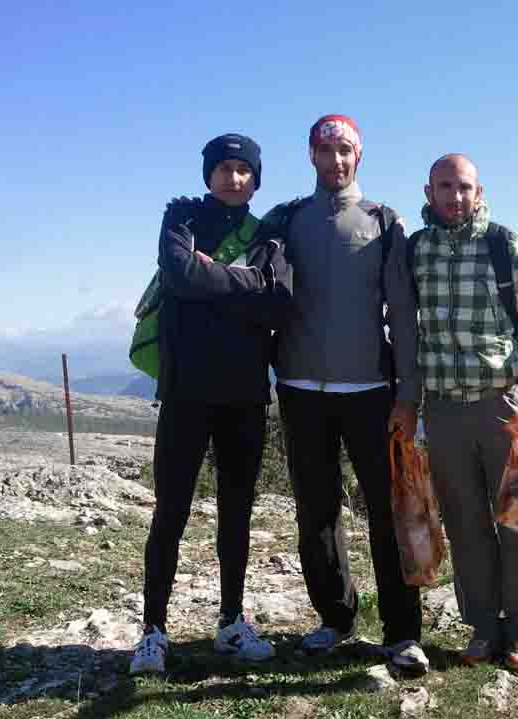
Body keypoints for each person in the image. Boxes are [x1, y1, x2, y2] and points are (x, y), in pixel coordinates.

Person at [269, 114, 428, 674]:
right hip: (300, 387)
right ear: (310, 155)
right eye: (325, 150)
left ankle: (403, 631)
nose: (335, 161)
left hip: (371, 392)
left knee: (388, 511)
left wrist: (408, 394)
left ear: (358, 155)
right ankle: (334, 619)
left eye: (345, 150)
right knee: (316, 510)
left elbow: (404, 318)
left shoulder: (384, 221)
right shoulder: (288, 219)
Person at [130, 134, 293, 674]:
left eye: (244, 169)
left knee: (237, 513)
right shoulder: (181, 217)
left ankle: (231, 621)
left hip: (245, 394)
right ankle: (153, 630)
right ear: (208, 174)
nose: (233, 177)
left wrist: (214, 279)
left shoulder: (266, 232)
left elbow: (278, 298)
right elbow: (180, 273)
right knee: (170, 511)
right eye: (223, 168)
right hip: (184, 392)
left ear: (255, 178)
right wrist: (244, 281)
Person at [409, 153, 518, 677]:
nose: (454, 196)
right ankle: (483, 626)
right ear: (428, 192)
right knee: (466, 525)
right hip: (443, 409)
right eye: (444, 186)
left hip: (502, 402)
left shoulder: (503, 243)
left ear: (479, 190)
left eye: (464, 187)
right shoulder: (416, 250)